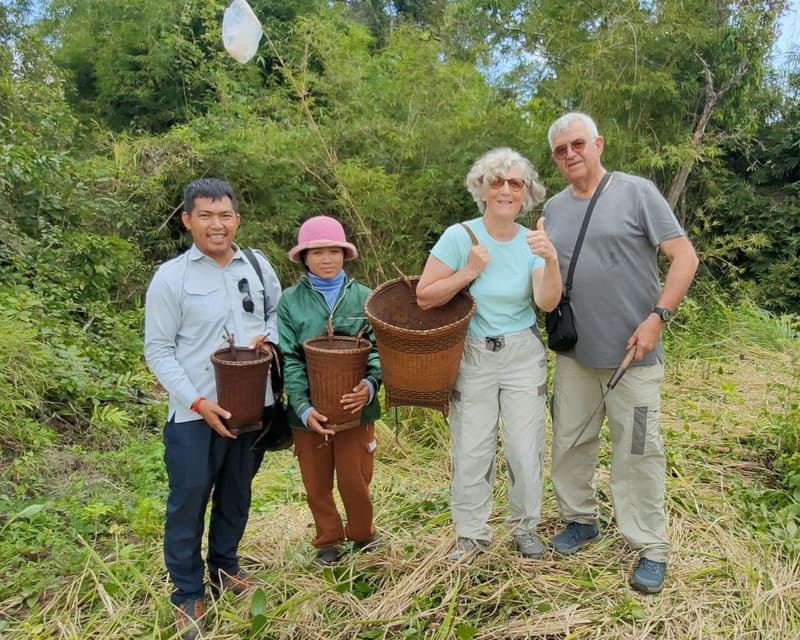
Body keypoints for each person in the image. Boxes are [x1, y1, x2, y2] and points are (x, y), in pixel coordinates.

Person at [543, 113, 699, 594]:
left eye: (577, 144)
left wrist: (657, 318)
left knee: (637, 451)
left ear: (598, 144)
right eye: (560, 150)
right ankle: (580, 520)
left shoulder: (637, 193)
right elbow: (545, 279)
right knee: (569, 443)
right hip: (574, 357)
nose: (570, 154)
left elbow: (685, 257)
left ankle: (650, 545)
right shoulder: (551, 208)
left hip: (634, 356)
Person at [144, 178, 282, 639]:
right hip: (194, 414)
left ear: (237, 219)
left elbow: (277, 315)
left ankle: (225, 567)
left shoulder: (258, 267)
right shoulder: (172, 278)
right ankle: (187, 592)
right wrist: (199, 402)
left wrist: (271, 337)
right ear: (187, 221)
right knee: (188, 500)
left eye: (224, 215)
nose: (216, 224)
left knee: (236, 493)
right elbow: (159, 350)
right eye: (205, 215)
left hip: (251, 408)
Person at [416, 148, 562, 563]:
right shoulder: (460, 236)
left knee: (524, 446)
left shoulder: (531, 241)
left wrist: (550, 260)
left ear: (526, 193)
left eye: (515, 183)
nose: (505, 190)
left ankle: (525, 528)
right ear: (481, 188)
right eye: (496, 181)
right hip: (473, 355)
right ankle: (471, 535)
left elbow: (546, 302)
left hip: (520, 354)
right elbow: (425, 297)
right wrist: (468, 272)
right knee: (472, 448)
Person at [277, 215, 382, 567]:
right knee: (317, 480)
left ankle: (364, 534)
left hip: (357, 409)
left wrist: (369, 386)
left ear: (345, 254)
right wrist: (304, 408)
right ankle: (328, 540)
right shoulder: (290, 301)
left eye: (333, 251)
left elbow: (380, 351)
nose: (326, 259)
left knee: (355, 477)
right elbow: (289, 357)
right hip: (308, 412)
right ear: (304, 258)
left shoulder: (365, 298)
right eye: (317, 252)